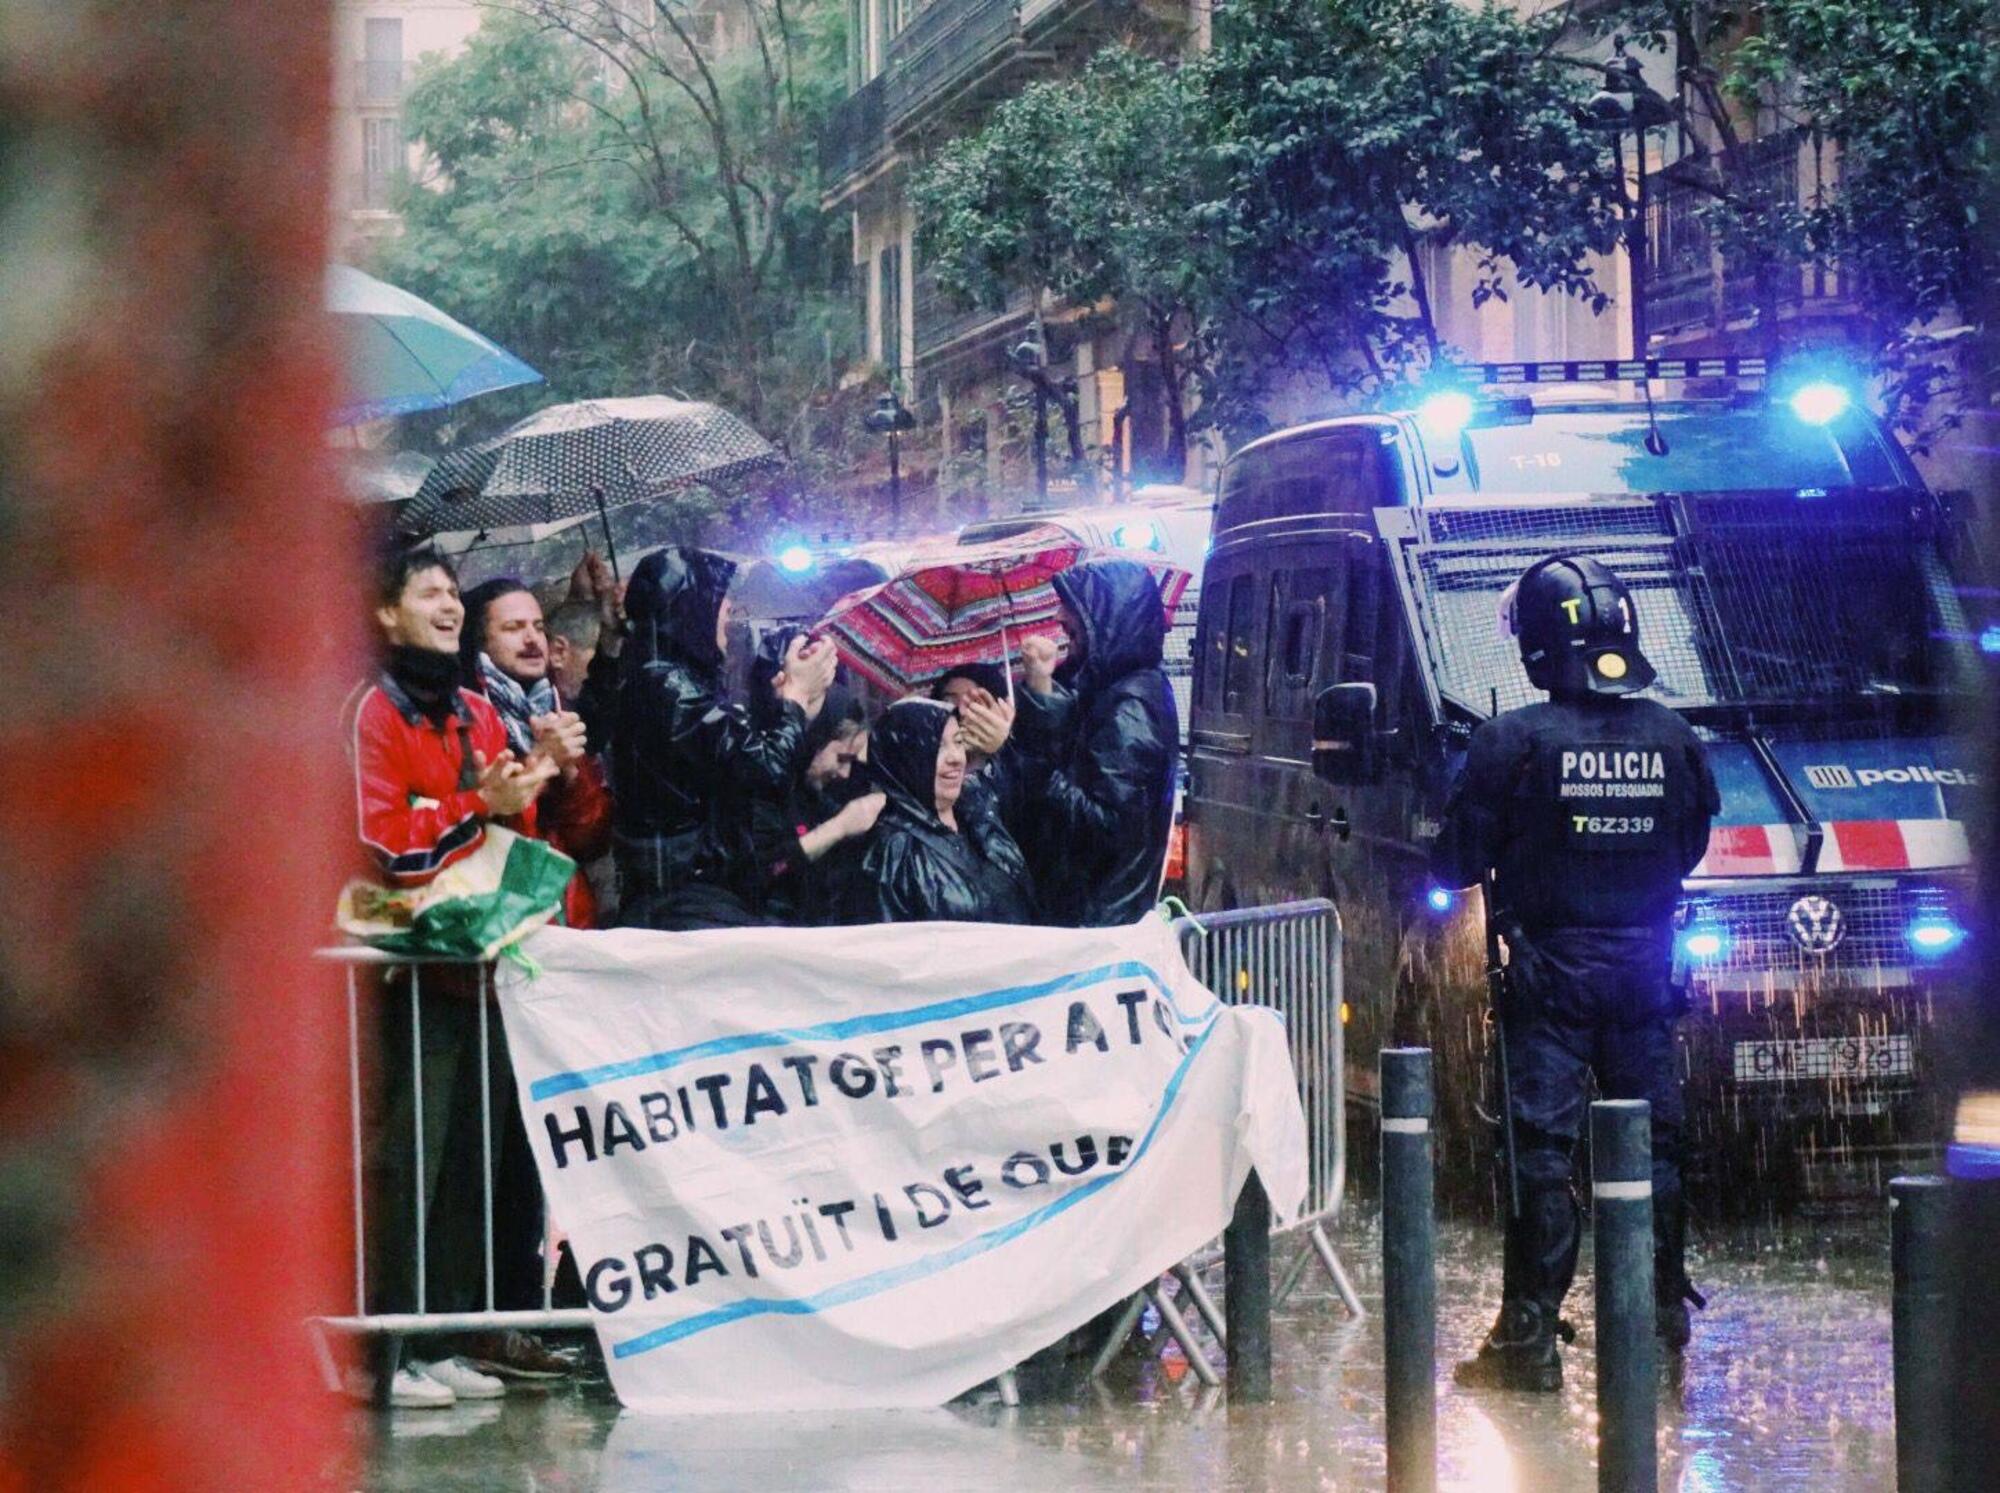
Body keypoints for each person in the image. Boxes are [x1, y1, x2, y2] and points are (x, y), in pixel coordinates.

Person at [1433, 553, 1719, 1391]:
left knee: (1540, 1154)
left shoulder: (1510, 742)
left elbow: (1454, 861)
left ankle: (1529, 1337)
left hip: (1549, 982)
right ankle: (1657, 1316)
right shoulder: (1674, 735)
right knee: (1655, 1150)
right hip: (1644, 979)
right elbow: (1689, 848)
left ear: (1534, 647)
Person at [348, 544, 566, 1407]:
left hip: (481, 964)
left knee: (470, 1165)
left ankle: (443, 1335)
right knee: (407, 1161)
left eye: (452, 593)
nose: (448, 606)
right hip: (401, 973)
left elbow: (515, 831)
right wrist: (480, 803)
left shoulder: (478, 710)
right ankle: (383, 1351)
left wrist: (541, 771)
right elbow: (383, 841)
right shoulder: (369, 711)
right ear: (385, 613)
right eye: (429, 592)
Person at [611, 546, 835, 929]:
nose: (729, 616)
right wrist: (796, 697)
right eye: (720, 604)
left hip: (697, 883)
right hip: (687, 893)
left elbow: (739, 764)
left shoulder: (666, 678)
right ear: (691, 608)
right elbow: (762, 769)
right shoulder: (667, 685)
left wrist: (792, 707)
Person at [1015, 560, 1178, 927]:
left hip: (1096, 923)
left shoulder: (1131, 707)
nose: (1059, 617)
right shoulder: (1113, 691)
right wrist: (1041, 689)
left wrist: (1039, 771)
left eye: (1071, 607)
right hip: (1090, 915)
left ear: (1106, 618)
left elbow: (1107, 829)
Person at [459, 578, 613, 928]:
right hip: (504, 925)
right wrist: (541, 761)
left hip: (570, 921)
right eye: (513, 628)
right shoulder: (463, 721)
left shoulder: (555, 709)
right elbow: (489, 842)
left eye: (538, 627)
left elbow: (592, 841)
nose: (532, 639)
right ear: (480, 642)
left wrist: (570, 773)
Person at [841, 699, 1035, 925]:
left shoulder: (978, 810)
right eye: (938, 746)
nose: (955, 758)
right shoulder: (890, 852)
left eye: (958, 742)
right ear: (904, 758)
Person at [741, 631, 884, 923]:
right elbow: (758, 872)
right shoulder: (758, 786)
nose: (844, 773)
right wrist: (838, 828)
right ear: (812, 745)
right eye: (842, 759)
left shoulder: (817, 795)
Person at [932, 663, 1026, 837]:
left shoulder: (1017, 766)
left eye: (974, 702)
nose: (961, 711)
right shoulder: (931, 771)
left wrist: (1002, 748)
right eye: (950, 701)